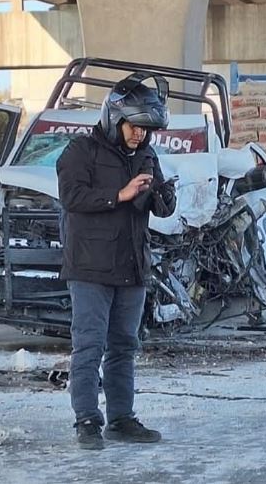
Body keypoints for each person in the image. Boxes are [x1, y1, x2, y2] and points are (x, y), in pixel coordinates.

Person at [57, 73, 177, 451]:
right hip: (90, 268)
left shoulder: (146, 154)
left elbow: (160, 207)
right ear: (114, 117)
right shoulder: (80, 151)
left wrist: (163, 193)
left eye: (145, 128)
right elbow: (72, 197)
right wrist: (119, 194)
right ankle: (87, 421)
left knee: (125, 345)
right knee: (89, 346)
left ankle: (121, 418)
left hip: (132, 266)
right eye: (134, 126)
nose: (139, 134)